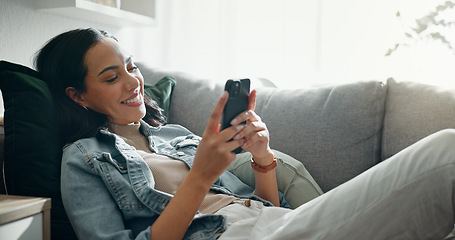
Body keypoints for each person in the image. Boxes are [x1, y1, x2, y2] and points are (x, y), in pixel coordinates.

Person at [35, 28, 455, 240]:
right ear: (78, 96)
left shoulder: (174, 136)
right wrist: (199, 177)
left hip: (272, 223)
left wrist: (261, 158)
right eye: (112, 77)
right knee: (445, 153)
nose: (133, 83)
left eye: (132, 67)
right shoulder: (83, 158)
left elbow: (261, 208)